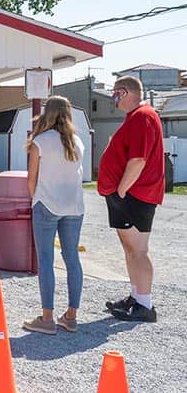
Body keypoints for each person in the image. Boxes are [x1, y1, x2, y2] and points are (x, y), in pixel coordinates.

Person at [98, 76, 163, 323]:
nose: (113, 99)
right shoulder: (135, 118)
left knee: (138, 250)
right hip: (127, 195)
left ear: (125, 93)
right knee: (130, 249)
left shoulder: (143, 117)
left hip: (135, 195)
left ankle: (145, 305)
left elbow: (138, 160)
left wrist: (122, 190)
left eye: (115, 94)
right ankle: (136, 297)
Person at [21, 96, 85, 335]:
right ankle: (71, 316)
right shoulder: (78, 142)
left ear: (48, 113)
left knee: (46, 260)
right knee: (72, 259)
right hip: (75, 206)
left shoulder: (41, 141)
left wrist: (34, 199)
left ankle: (47, 318)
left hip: (46, 203)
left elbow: (32, 178)